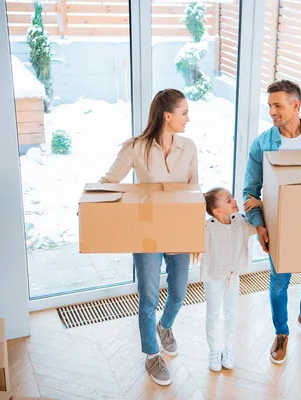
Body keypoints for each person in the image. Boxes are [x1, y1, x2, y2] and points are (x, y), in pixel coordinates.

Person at [100, 88, 198, 386]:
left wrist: (196, 234)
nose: (188, 119)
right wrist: (90, 207)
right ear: (167, 116)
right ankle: (152, 354)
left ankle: (165, 326)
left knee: (180, 292)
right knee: (149, 297)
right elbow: (108, 182)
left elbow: (194, 191)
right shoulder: (136, 147)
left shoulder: (189, 147)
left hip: (179, 231)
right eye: (184, 113)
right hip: (147, 232)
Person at [242, 79, 301, 365]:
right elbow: (250, 191)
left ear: (295, 105)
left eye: (278, 105)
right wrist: (259, 224)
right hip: (280, 227)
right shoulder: (263, 143)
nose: (272, 111)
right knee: (278, 283)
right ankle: (281, 333)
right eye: (269, 105)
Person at [198, 188, 261, 372]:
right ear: (217, 211)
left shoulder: (241, 222)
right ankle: (214, 352)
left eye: (232, 197)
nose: (234, 200)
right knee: (213, 316)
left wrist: (259, 204)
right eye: (228, 200)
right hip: (213, 278)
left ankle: (229, 350)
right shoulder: (206, 228)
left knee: (232, 313)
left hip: (233, 278)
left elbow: (262, 223)